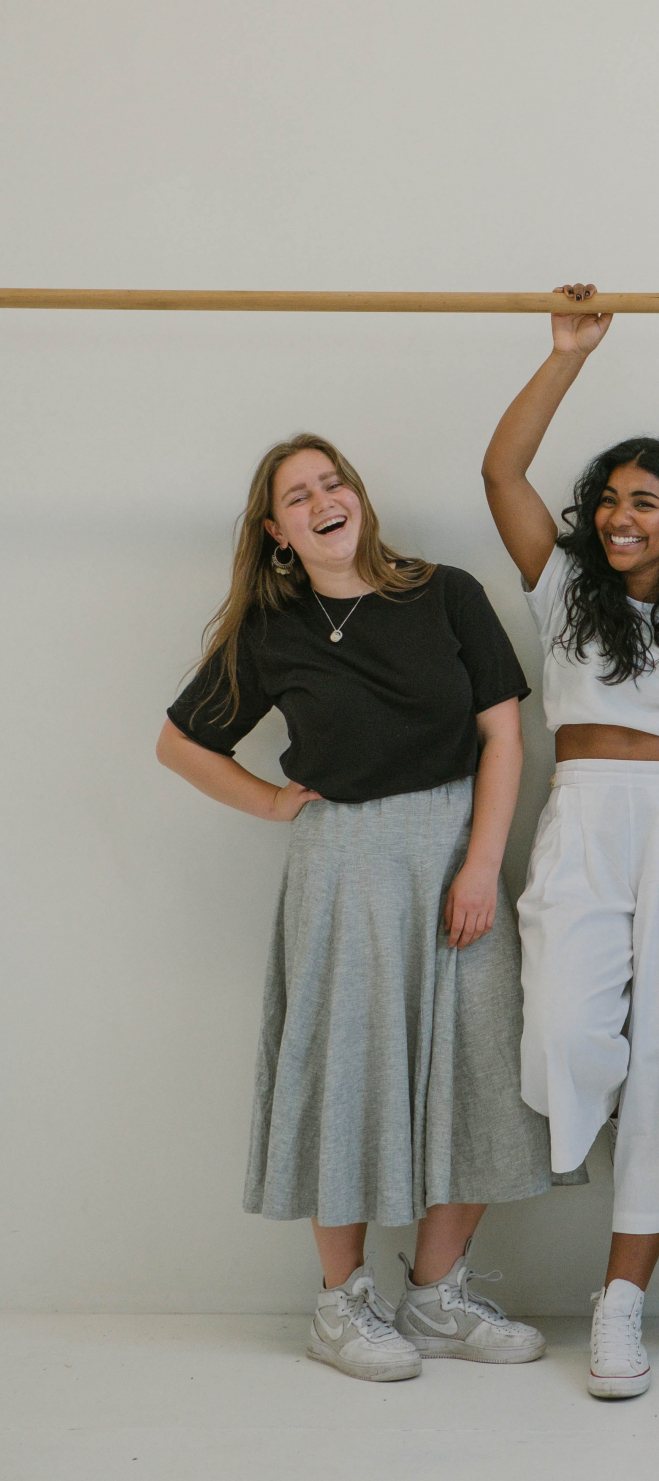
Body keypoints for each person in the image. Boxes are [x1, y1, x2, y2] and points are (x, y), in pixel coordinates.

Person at [157, 435, 552, 1382]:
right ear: (277, 531)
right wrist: (271, 801)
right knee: (349, 1073)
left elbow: (503, 736)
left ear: (358, 495)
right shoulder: (270, 629)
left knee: (483, 1061)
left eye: (333, 482)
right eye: (299, 496)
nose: (324, 500)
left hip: (459, 848)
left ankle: (435, 1296)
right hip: (345, 865)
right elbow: (180, 744)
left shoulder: (446, 592)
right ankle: (338, 1309)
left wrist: (480, 862)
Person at [480, 285, 659, 1401]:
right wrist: (566, 357)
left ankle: (621, 1306)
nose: (620, 517)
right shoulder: (562, 590)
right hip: (582, 824)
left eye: (645, 502)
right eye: (609, 500)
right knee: (565, 1032)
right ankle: (603, 1156)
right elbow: (502, 475)